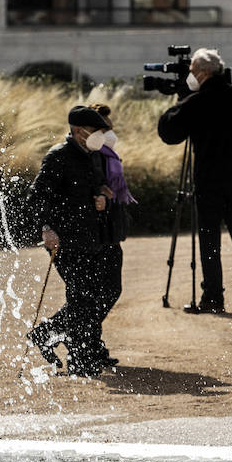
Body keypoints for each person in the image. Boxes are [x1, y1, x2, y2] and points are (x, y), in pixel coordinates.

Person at [157, 47, 232, 316]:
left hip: (208, 182)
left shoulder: (196, 102)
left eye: (191, 72)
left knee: (209, 240)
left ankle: (212, 297)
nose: (190, 76)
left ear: (202, 73)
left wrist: (181, 100)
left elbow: (168, 132)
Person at [22, 105, 118, 377]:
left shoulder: (94, 155)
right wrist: (46, 228)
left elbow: (99, 186)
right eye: (96, 130)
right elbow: (37, 198)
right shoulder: (58, 157)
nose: (100, 135)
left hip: (91, 238)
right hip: (64, 241)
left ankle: (51, 338)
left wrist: (102, 197)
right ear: (78, 131)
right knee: (83, 298)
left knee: (88, 299)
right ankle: (81, 359)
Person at [88, 102, 135, 368]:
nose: (110, 134)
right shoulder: (95, 155)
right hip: (98, 234)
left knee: (104, 291)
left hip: (109, 232)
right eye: (105, 128)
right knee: (102, 291)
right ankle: (55, 332)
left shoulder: (107, 155)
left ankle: (89, 342)